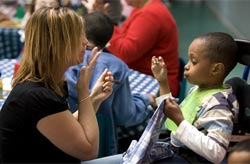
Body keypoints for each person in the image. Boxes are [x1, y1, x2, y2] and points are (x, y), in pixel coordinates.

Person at [82, 32, 239, 164]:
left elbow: (217, 153)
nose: (187, 65)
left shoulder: (219, 105)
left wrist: (180, 121)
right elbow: (169, 114)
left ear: (216, 69)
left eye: (194, 61)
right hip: (175, 151)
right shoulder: (199, 90)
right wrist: (162, 82)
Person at [0, 7, 114, 163]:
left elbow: (67, 126)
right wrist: (83, 91)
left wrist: (94, 98)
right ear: (57, 43)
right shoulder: (36, 96)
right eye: (78, 35)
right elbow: (89, 150)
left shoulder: (46, 84)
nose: (85, 42)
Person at [65, 12, 156, 156]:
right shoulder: (116, 66)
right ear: (108, 40)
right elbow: (125, 115)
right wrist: (144, 100)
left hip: (62, 143)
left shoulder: (63, 58)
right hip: (100, 147)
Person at [82, 0, 180, 97]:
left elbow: (125, 53)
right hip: (145, 76)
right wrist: (102, 20)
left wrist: (100, 26)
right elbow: (123, 38)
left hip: (155, 85)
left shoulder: (150, 15)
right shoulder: (144, 9)